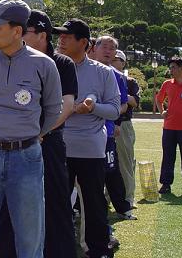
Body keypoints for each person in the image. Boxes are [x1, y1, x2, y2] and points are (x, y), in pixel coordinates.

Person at [0, 0, 62, 258]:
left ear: (17, 31)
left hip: (26, 157)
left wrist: (34, 134)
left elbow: (53, 110)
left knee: (30, 238)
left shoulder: (44, 65)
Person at [0, 9, 78, 258]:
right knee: (8, 205)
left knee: (54, 204)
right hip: (10, 145)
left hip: (48, 143)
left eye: (23, 31)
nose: (17, 36)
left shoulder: (61, 63)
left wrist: (39, 133)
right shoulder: (6, 59)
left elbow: (67, 105)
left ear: (42, 35)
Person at [56, 18, 120, 258]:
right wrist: (68, 109)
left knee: (93, 203)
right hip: (58, 146)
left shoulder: (102, 72)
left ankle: (98, 249)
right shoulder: (51, 65)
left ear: (83, 42)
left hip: (90, 148)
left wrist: (92, 107)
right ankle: (58, 247)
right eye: (60, 36)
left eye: (67, 36)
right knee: (55, 202)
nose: (61, 40)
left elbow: (115, 110)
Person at [92, 35, 133, 220]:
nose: (108, 51)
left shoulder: (118, 76)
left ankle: (122, 208)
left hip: (107, 132)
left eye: (112, 48)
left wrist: (114, 118)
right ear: (95, 48)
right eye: (104, 47)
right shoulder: (83, 70)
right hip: (83, 133)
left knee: (111, 170)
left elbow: (123, 103)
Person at [155, 56, 182, 195]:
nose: (171, 70)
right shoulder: (167, 84)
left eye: (173, 67)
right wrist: (162, 112)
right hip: (169, 128)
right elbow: (159, 99)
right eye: (170, 67)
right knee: (168, 157)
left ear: (181, 68)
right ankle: (166, 184)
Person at [112, 49, 139, 208]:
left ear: (123, 63)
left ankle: (128, 197)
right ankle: (108, 197)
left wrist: (121, 93)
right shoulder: (104, 76)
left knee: (125, 162)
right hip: (107, 123)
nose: (113, 61)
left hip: (124, 124)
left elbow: (134, 102)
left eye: (117, 59)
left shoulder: (130, 81)